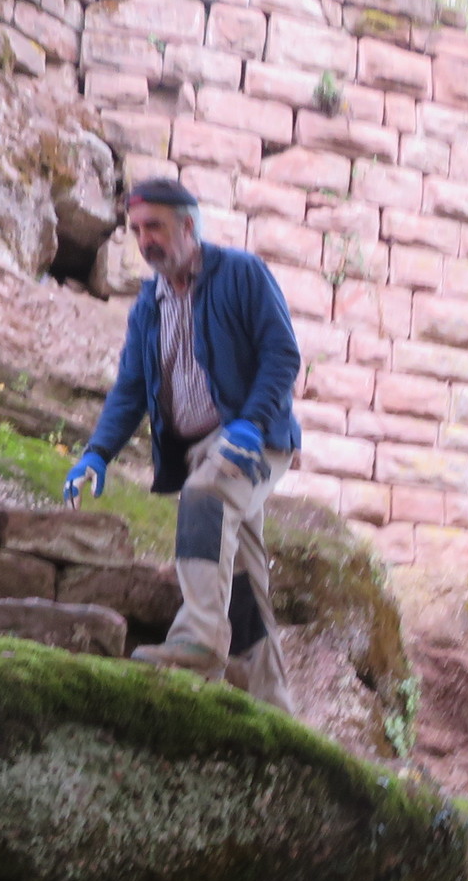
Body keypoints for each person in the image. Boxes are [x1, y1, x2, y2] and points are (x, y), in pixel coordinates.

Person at [65, 179, 300, 713]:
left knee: (205, 496)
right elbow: (130, 388)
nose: (145, 240)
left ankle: (198, 640)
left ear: (188, 226)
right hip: (199, 450)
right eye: (136, 230)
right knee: (241, 581)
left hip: (254, 440)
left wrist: (251, 423)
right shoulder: (148, 306)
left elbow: (282, 354)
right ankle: (274, 709)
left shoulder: (241, 273)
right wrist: (97, 452)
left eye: (155, 227)